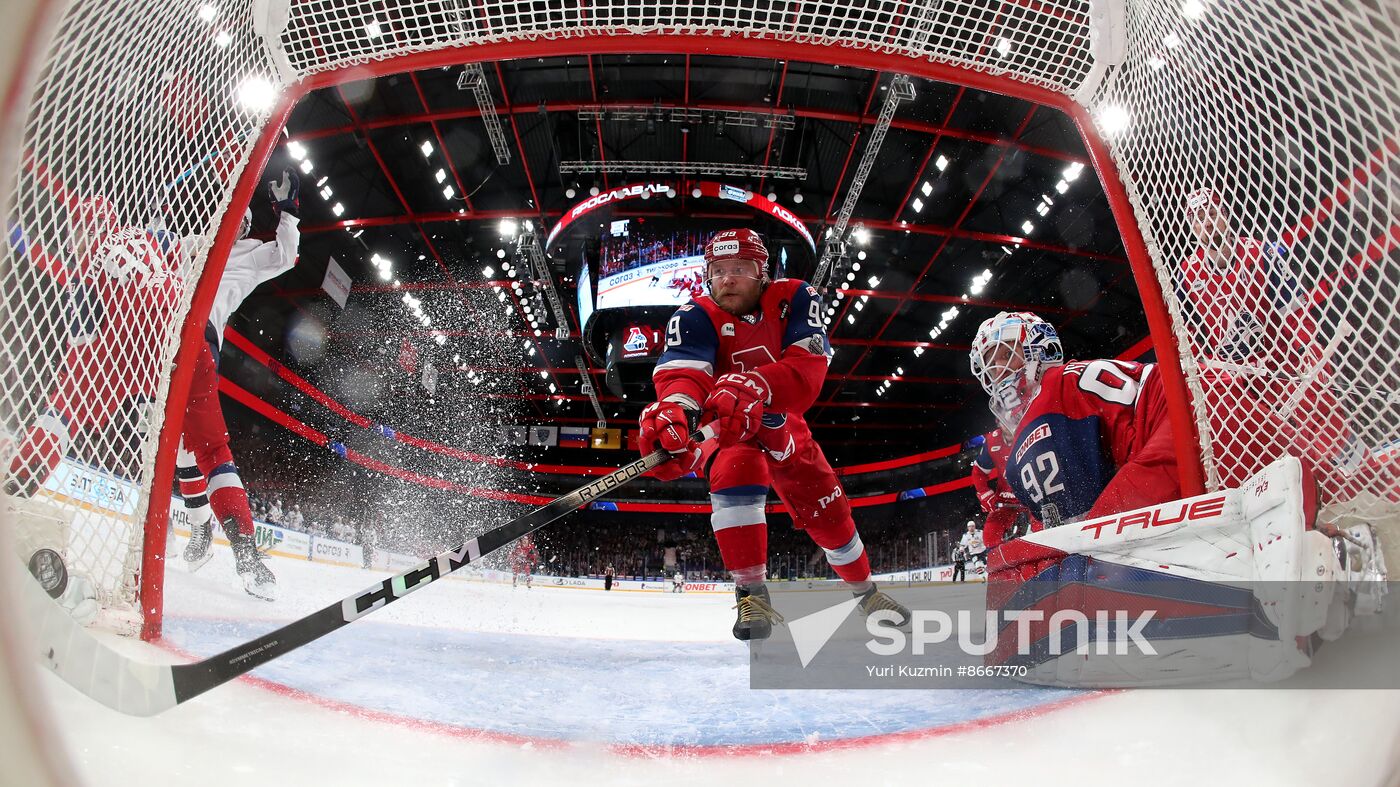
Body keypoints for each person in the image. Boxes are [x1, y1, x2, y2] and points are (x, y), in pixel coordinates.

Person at [639, 227, 910, 641]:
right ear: (707, 274)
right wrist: (677, 415)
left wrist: (758, 386)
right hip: (731, 431)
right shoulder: (693, 315)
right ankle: (752, 593)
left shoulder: (797, 297)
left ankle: (865, 592)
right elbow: (682, 376)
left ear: (763, 271)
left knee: (832, 517)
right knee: (734, 472)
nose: (728, 278)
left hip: (784, 424)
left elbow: (808, 372)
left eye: (740, 268)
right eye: (719, 270)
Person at [176, 168, 300, 601]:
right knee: (193, 449)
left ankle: (222, 543)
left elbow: (286, 256)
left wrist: (287, 212)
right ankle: (229, 547)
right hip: (173, 339)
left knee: (192, 449)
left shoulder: (244, 251)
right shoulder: (197, 246)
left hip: (185, 341)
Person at [970, 428, 1031, 550]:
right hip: (1006, 501)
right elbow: (979, 472)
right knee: (990, 536)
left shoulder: (1031, 429)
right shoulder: (992, 440)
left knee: (1040, 534)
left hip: (1034, 498)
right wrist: (985, 493)